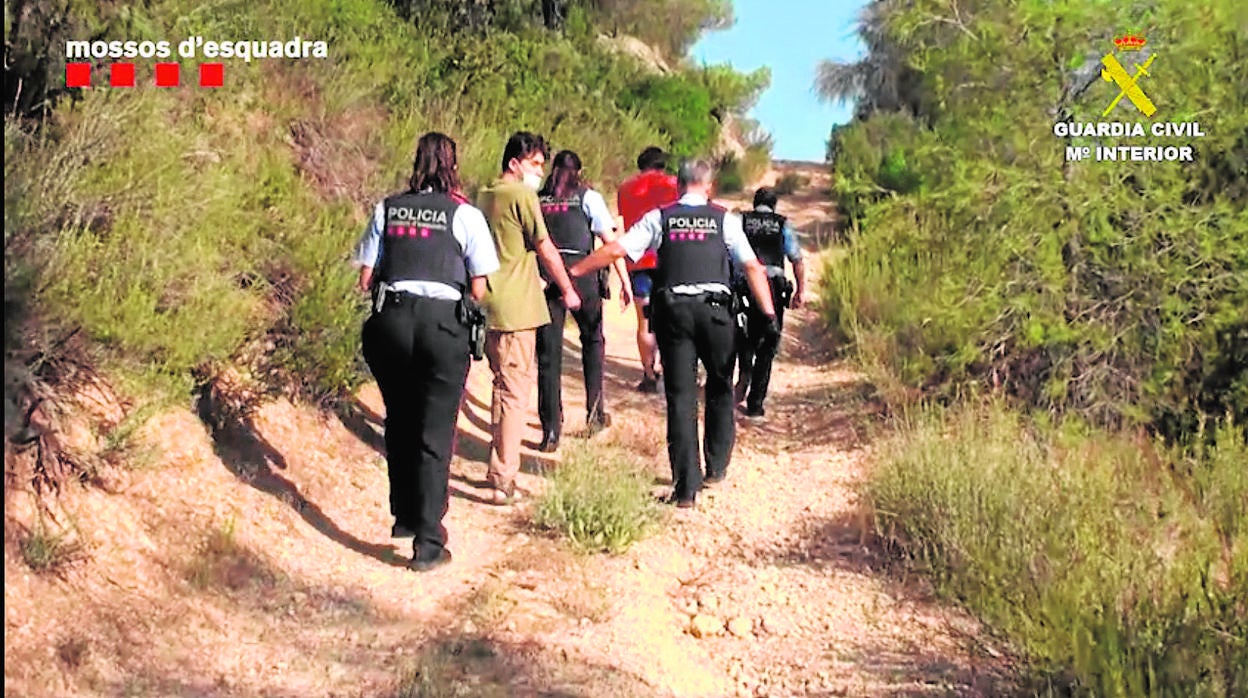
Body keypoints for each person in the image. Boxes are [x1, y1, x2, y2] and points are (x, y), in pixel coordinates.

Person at [568, 159, 779, 508]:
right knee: (720, 387)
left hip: (676, 313)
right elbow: (752, 266)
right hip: (716, 313)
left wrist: (576, 269)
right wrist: (768, 315)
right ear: (708, 187)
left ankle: (685, 489)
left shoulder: (660, 217)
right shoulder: (724, 218)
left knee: (680, 398)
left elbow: (618, 249)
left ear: (678, 186)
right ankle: (716, 466)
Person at [354, 132, 500, 572]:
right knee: (436, 431)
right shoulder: (465, 214)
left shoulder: (388, 207)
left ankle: (404, 515)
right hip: (442, 325)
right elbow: (479, 285)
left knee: (398, 419)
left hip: (391, 321)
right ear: (453, 165)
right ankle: (429, 542)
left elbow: (364, 279)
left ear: (415, 162)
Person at [476, 131, 582, 505]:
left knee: (501, 387)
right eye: (535, 163)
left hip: (486, 303)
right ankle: (504, 478)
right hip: (517, 308)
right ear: (514, 163)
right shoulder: (521, 195)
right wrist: (568, 288)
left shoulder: (484, 194)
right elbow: (545, 248)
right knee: (514, 394)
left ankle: (497, 465)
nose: (540, 172)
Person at [534, 150, 630, 452]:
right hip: (583, 276)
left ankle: (551, 429)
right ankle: (595, 412)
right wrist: (624, 281)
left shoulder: (538, 199)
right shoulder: (587, 197)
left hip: (546, 278)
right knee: (593, 342)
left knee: (548, 355)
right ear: (580, 171)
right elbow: (609, 242)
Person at [733, 187, 807, 418]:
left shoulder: (739, 220)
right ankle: (755, 404)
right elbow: (796, 259)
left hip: (744, 285)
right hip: (772, 289)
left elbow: (726, 253)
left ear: (754, 204)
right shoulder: (782, 224)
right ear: (774, 206)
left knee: (742, 336)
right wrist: (801, 291)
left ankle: (744, 370)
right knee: (768, 344)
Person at [617, 146, 679, 393]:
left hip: (639, 262)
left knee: (645, 321)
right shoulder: (674, 184)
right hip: (670, 260)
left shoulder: (625, 189)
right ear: (662, 165)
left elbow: (627, 221)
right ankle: (671, 368)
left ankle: (649, 375)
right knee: (672, 317)